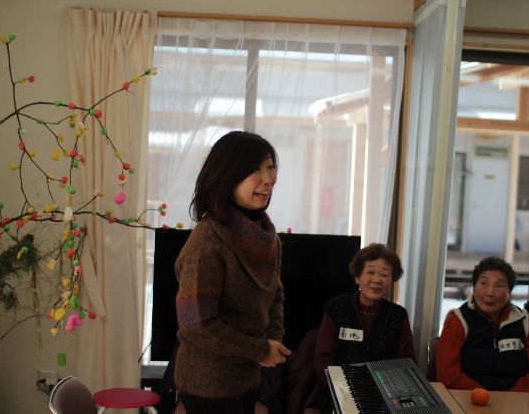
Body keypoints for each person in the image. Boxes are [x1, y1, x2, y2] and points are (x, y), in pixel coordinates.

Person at [173, 130, 291, 414]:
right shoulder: (208, 239)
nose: (268, 178)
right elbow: (196, 324)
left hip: (247, 377)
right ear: (227, 177)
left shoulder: (266, 236)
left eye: (270, 167)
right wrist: (261, 350)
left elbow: (274, 294)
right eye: (255, 169)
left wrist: (272, 341)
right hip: (208, 385)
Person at [307, 243, 415, 413]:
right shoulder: (337, 307)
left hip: (384, 396)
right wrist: (344, 391)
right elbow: (323, 358)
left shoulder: (398, 315)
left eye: (384, 274)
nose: (377, 280)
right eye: (370, 272)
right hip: (338, 391)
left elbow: (406, 361)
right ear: (357, 277)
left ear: (392, 280)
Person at [437, 256, 529, 391]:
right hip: (468, 398)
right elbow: (448, 376)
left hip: (517, 399)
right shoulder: (458, 319)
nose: (490, 293)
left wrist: (510, 397)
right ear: (474, 287)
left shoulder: (524, 320)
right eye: (484, 283)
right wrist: (483, 396)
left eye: (499, 285)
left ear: (509, 291)